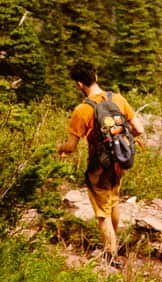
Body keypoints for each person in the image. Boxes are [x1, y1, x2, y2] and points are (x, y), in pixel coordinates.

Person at [59, 59, 144, 259]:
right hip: (120, 160)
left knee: (101, 211)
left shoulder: (82, 109)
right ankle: (114, 243)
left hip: (99, 165)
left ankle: (111, 254)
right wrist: (119, 142)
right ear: (95, 77)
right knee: (113, 201)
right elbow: (139, 129)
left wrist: (59, 149)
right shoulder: (118, 99)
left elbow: (71, 147)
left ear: (80, 84)